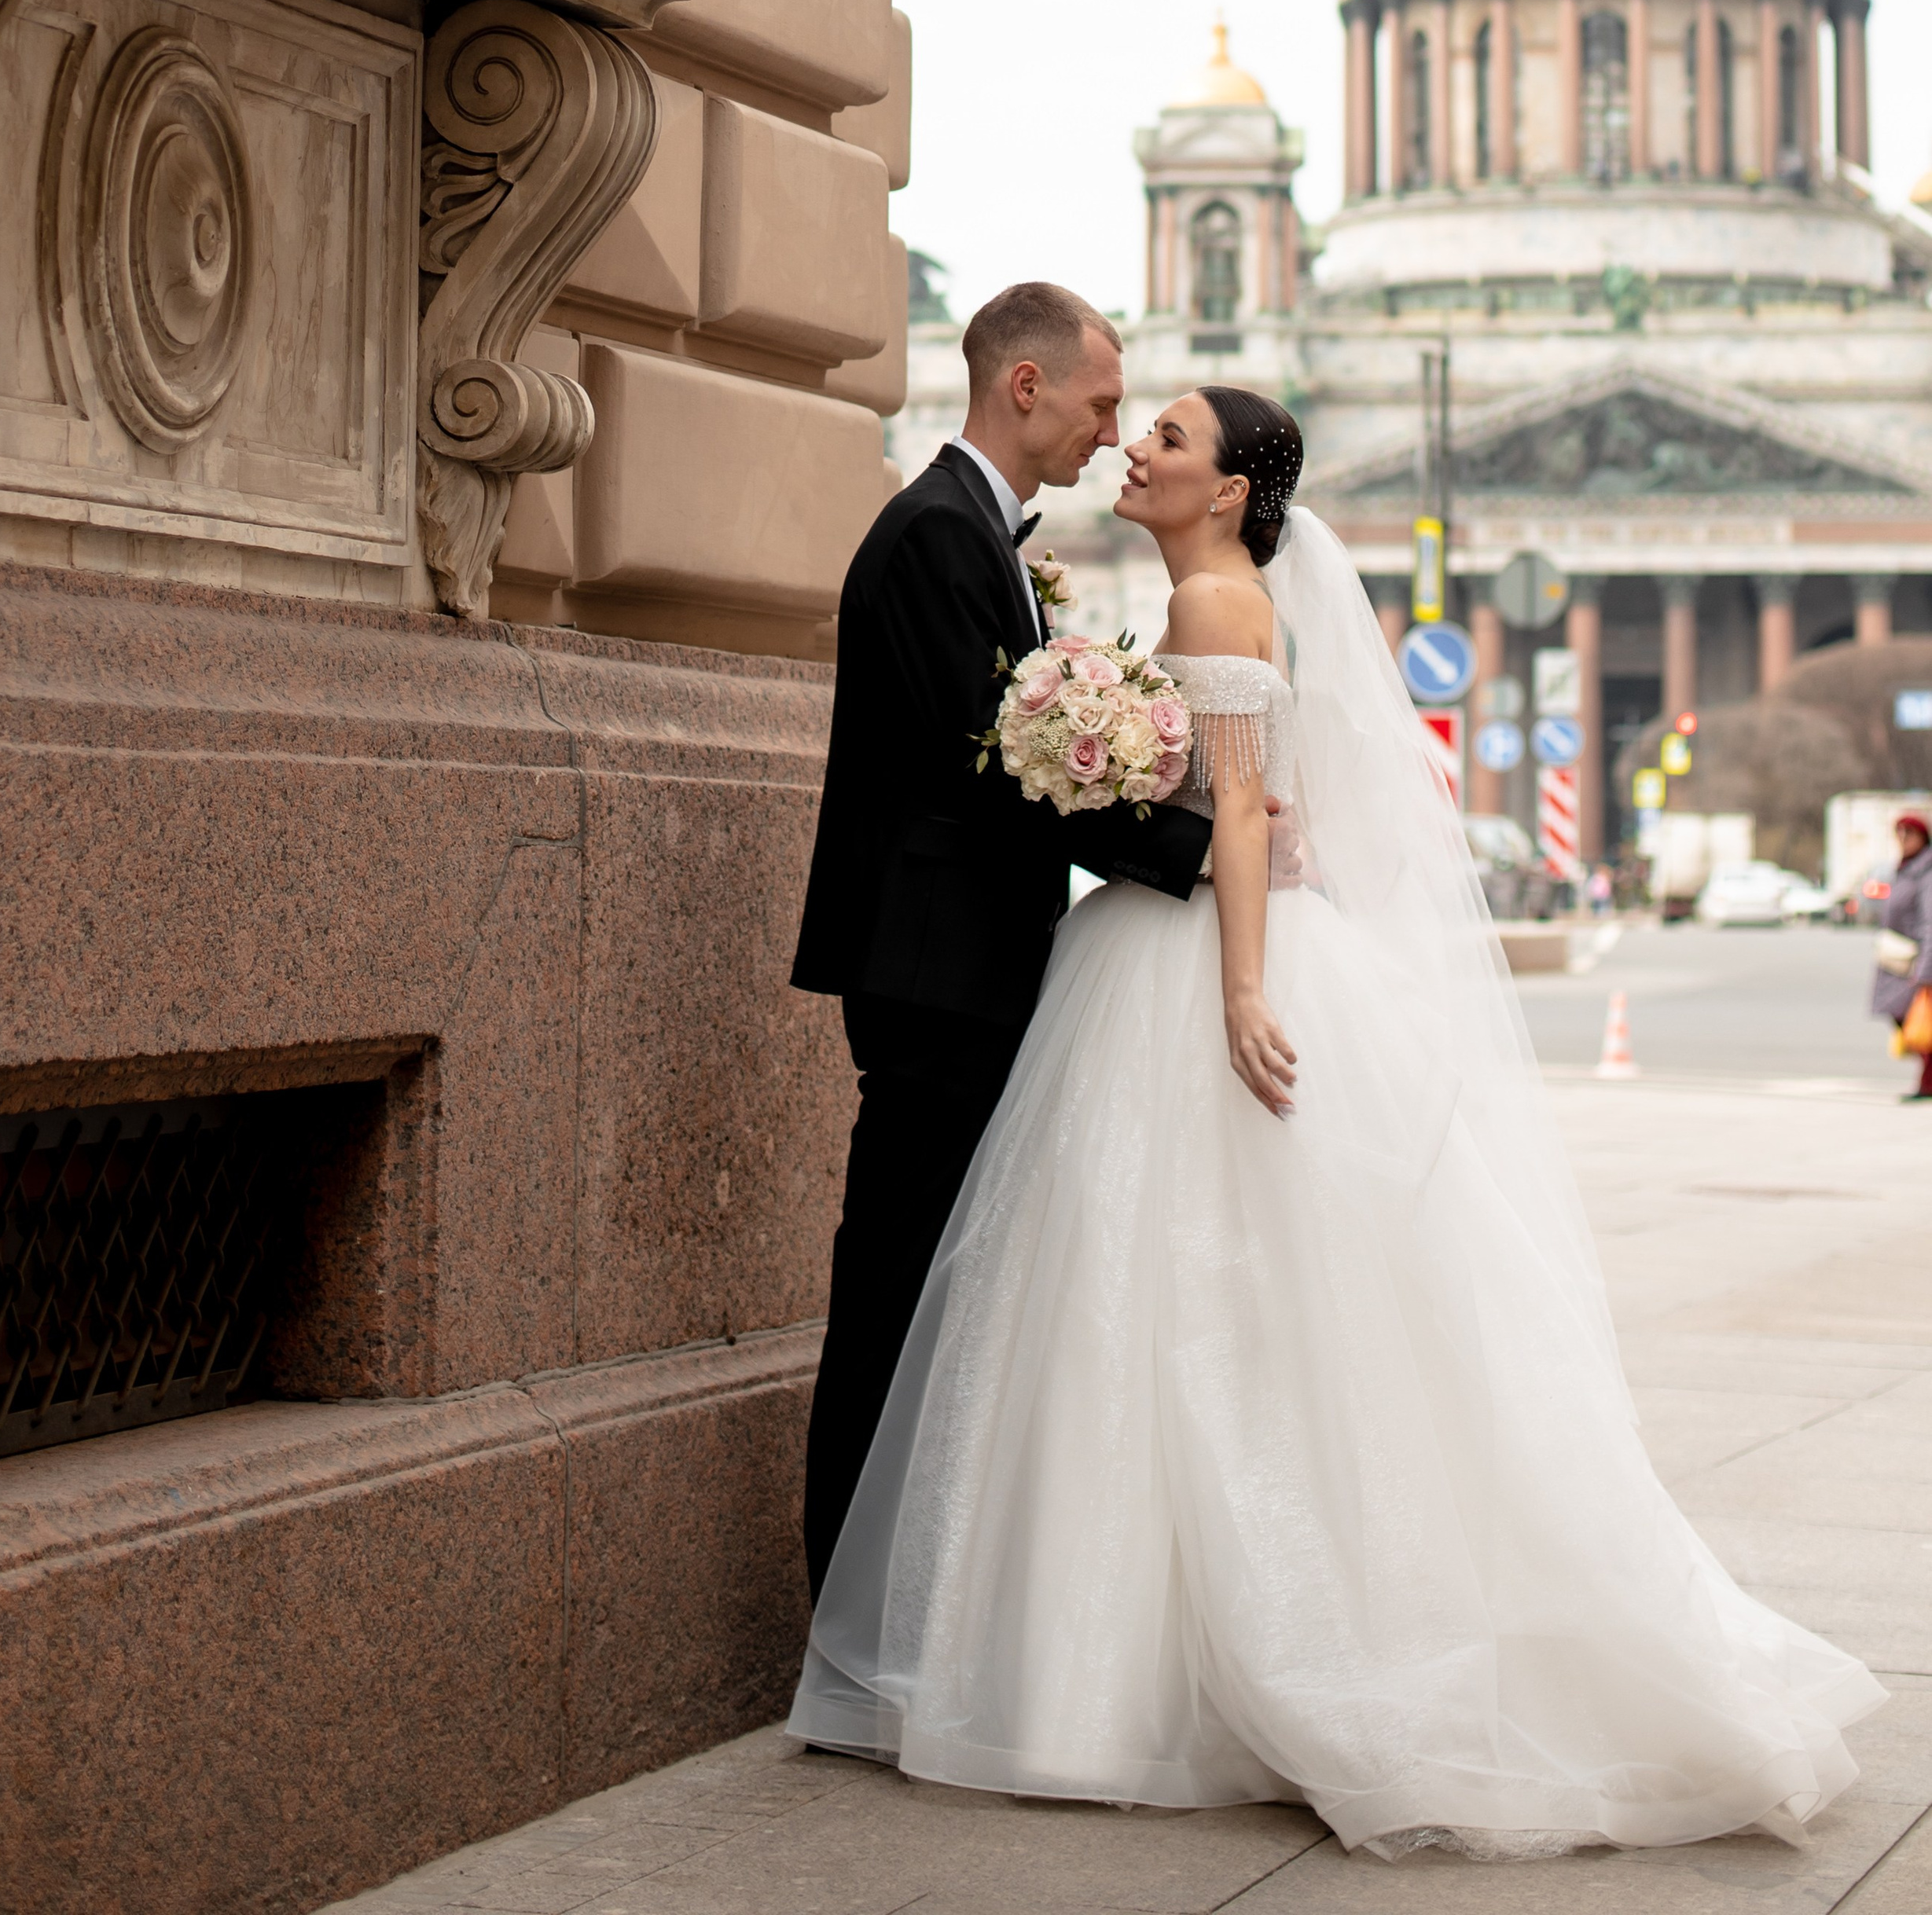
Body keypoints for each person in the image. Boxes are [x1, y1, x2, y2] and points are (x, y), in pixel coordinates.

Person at [790, 387, 1882, 1858]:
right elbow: (1230, 804)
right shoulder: (1199, 587)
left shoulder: (1221, 606)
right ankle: (1132, 1648)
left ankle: (1141, 1659)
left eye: (1165, 435)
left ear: (1232, 490)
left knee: (1164, 1298)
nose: (1135, 448)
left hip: (1189, 959)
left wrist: (1240, 987)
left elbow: (1243, 815)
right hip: (1152, 941)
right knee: (1168, 1300)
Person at [792, 283, 1216, 1596]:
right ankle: (849, 1613)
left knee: (931, 1296)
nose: (1111, 432)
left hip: (960, 972)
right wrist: (1203, 859)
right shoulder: (935, 537)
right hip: (936, 982)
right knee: (896, 1299)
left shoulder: (976, 533)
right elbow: (1005, 775)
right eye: (1100, 405)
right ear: (1024, 389)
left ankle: (889, 1601)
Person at [1872, 812, 1932, 1099]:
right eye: (1900, 833)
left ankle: (1928, 1082)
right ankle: (1927, 1080)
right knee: (1910, 1020)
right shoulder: (1907, 868)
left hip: (1918, 961)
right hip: (1901, 960)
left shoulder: (1926, 870)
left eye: (1910, 834)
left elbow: (1930, 922)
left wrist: (1926, 971)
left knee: (1920, 1022)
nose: (1904, 840)